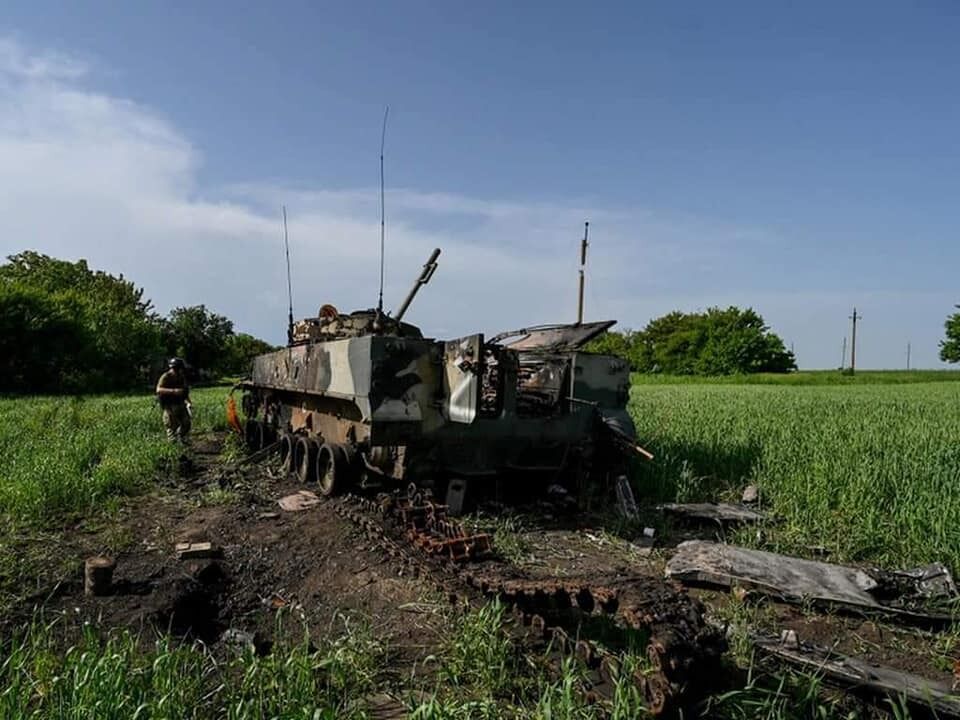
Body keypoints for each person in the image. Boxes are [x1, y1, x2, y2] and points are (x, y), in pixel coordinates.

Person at [156, 357, 192, 442]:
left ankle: (181, 438)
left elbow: (184, 391)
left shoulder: (181, 377)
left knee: (186, 423)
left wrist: (189, 402)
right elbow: (159, 390)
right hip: (169, 405)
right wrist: (173, 391)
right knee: (171, 424)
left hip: (180, 403)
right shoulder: (166, 377)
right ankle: (173, 444)